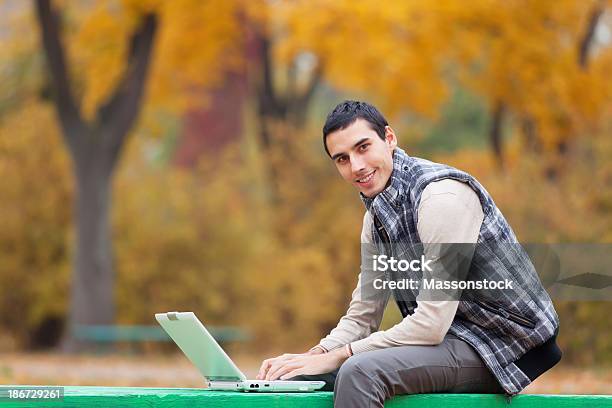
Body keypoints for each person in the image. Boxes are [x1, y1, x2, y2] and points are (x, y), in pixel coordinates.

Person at [256, 100, 561, 407]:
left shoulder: (441, 198)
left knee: (360, 372)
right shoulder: (376, 219)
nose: (356, 166)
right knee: (300, 379)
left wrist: (341, 355)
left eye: (363, 147)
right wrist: (314, 357)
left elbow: (430, 323)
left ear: (389, 138)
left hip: (505, 342)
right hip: (448, 338)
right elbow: (363, 316)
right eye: (342, 159)